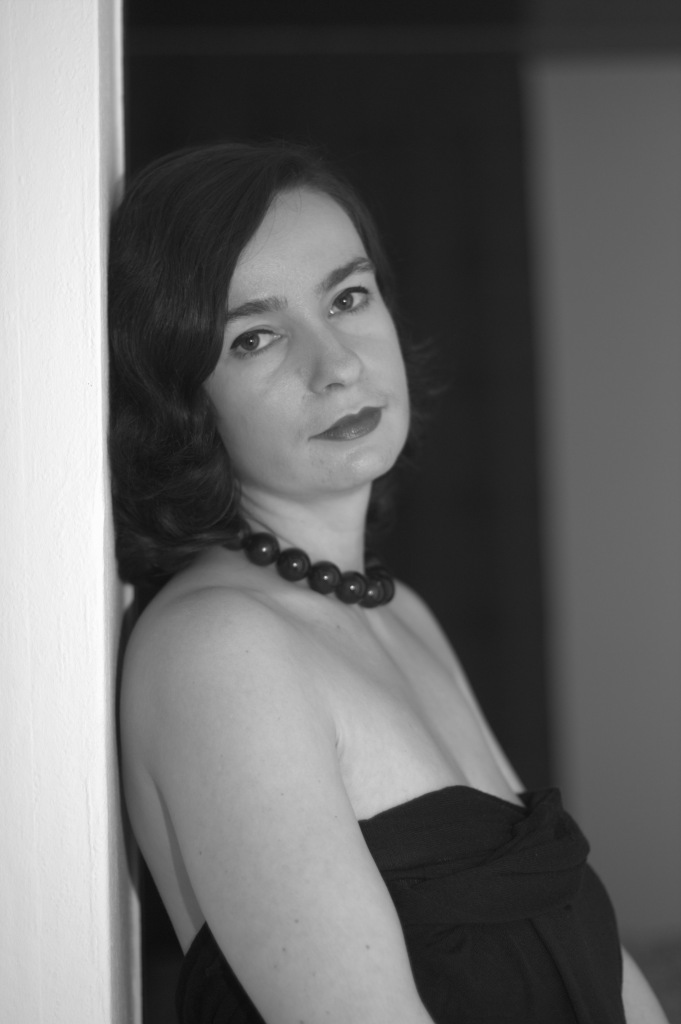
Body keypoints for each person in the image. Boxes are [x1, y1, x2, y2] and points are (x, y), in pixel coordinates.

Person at [110, 141, 668, 1024]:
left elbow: (578, 941)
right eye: (253, 337)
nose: (335, 364)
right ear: (180, 397)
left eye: (347, 297)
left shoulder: (399, 611)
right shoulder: (219, 650)